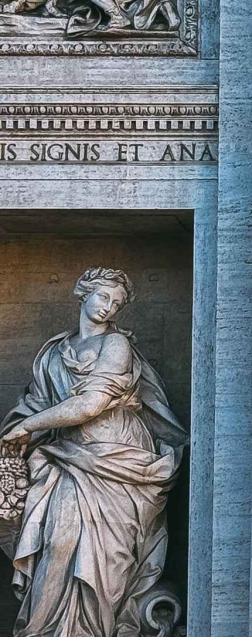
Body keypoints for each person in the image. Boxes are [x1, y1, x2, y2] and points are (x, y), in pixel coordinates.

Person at [0, 267, 185, 637]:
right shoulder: (52, 353)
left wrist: (27, 427)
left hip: (119, 465)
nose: (108, 308)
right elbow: (36, 404)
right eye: (103, 297)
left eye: (116, 304)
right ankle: (49, 629)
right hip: (66, 458)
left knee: (107, 561)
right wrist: (17, 431)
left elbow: (89, 405)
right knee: (57, 542)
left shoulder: (116, 346)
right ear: (82, 293)